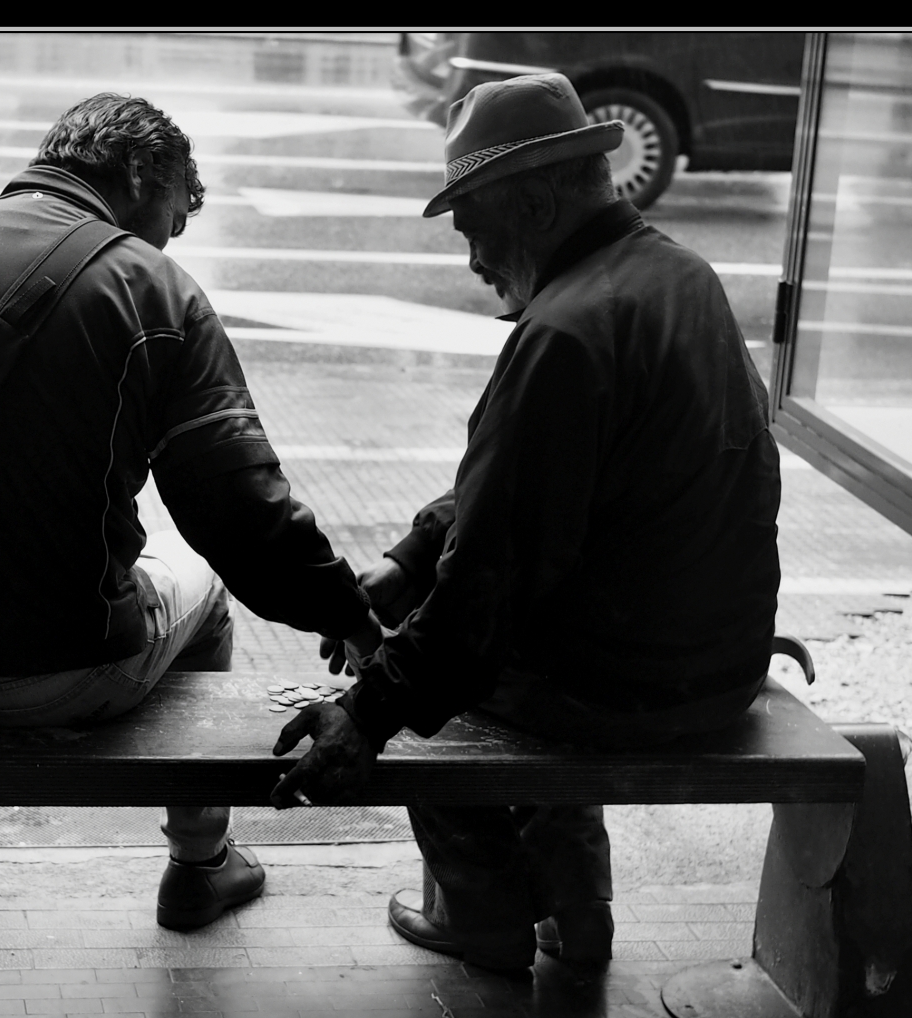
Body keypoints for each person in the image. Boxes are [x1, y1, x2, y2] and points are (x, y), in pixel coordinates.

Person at [0, 93, 381, 925]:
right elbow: (242, 515)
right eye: (173, 217)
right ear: (141, 172)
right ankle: (200, 860)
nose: (168, 241)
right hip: (55, 673)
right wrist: (354, 620)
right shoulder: (157, 293)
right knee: (207, 595)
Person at [270, 73, 782, 971]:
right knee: (458, 618)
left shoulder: (566, 333)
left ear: (538, 200)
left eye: (473, 227)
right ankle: (578, 909)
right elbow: (532, 490)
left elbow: (489, 583)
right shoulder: (677, 276)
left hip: (630, 690)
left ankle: (481, 914)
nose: (470, 259)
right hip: (716, 664)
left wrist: (366, 710)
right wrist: (414, 551)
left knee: (432, 671)